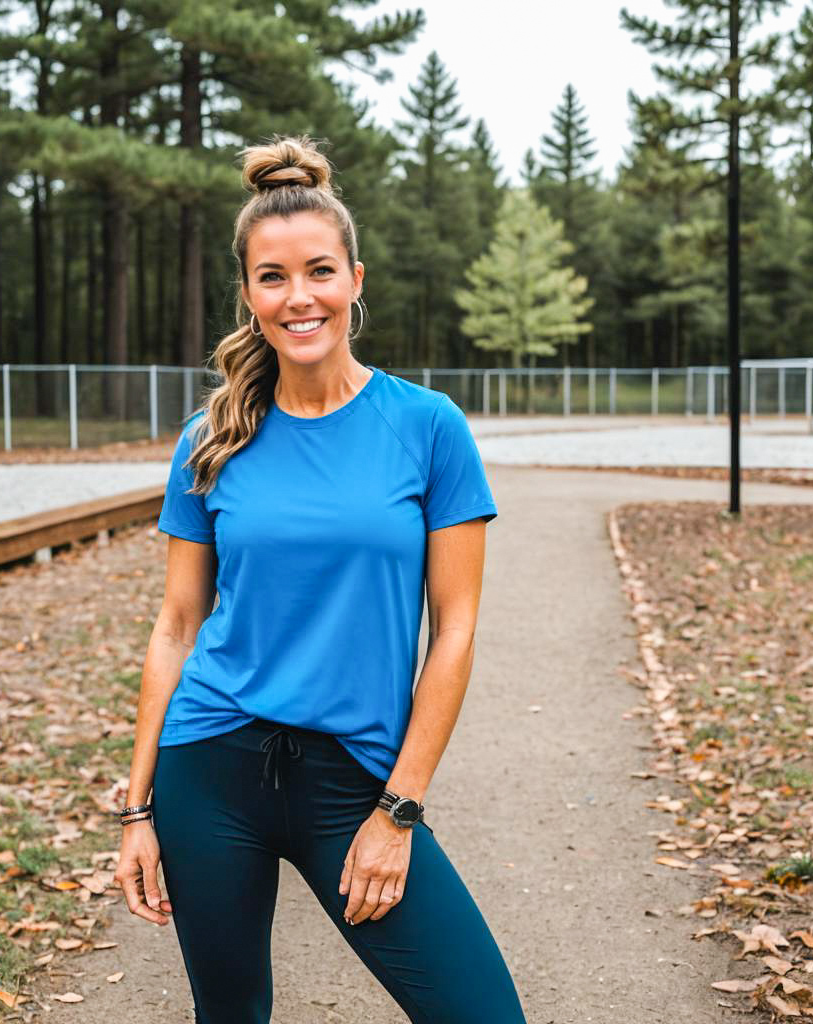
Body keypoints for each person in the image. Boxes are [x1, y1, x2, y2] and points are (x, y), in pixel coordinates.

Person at [113, 134, 529, 1024]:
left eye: (318, 271)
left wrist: (400, 810)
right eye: (273, 277)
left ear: (355, 278)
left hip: (355, 779)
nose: (298, 297)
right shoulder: (210, 438)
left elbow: (454, 631)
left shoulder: (426, 426)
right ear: (250, 294)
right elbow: (177, 627)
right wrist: (137, 809)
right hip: (209, 767)